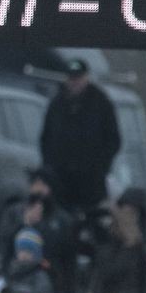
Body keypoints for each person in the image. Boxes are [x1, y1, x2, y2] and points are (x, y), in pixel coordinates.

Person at [39, 58, 120, 213]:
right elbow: (46, 138)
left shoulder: (101, 103)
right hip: (61, 180)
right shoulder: (57, 104)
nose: (75, 82)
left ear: (86, 78)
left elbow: (113, 139)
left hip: (91, 182)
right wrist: (50, 167)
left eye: (78, 78)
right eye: (72, 78)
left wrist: (100, 166)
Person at [0, 167, 76, 293]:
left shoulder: (62, 220)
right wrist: (24, 224)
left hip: (48, 285)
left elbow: (68, 259)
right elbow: (3, 244)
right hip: (15, 280)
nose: (39, 190)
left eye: (43, 185)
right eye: (35, 184)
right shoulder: (14, 212)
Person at [87, 187, 146, 293]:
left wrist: (131, 245)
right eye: (121, 211)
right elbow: (102, 274)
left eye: (131, 213)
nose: (124, 218)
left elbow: (136, 282)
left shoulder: (145, 248)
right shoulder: (106, 243)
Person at [0, 227, 55, 293]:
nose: (24, 255)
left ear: (36, 254)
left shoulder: (39, 273)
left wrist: (14, 292)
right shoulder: (12, 269)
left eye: (28, 251)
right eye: (21, 251)